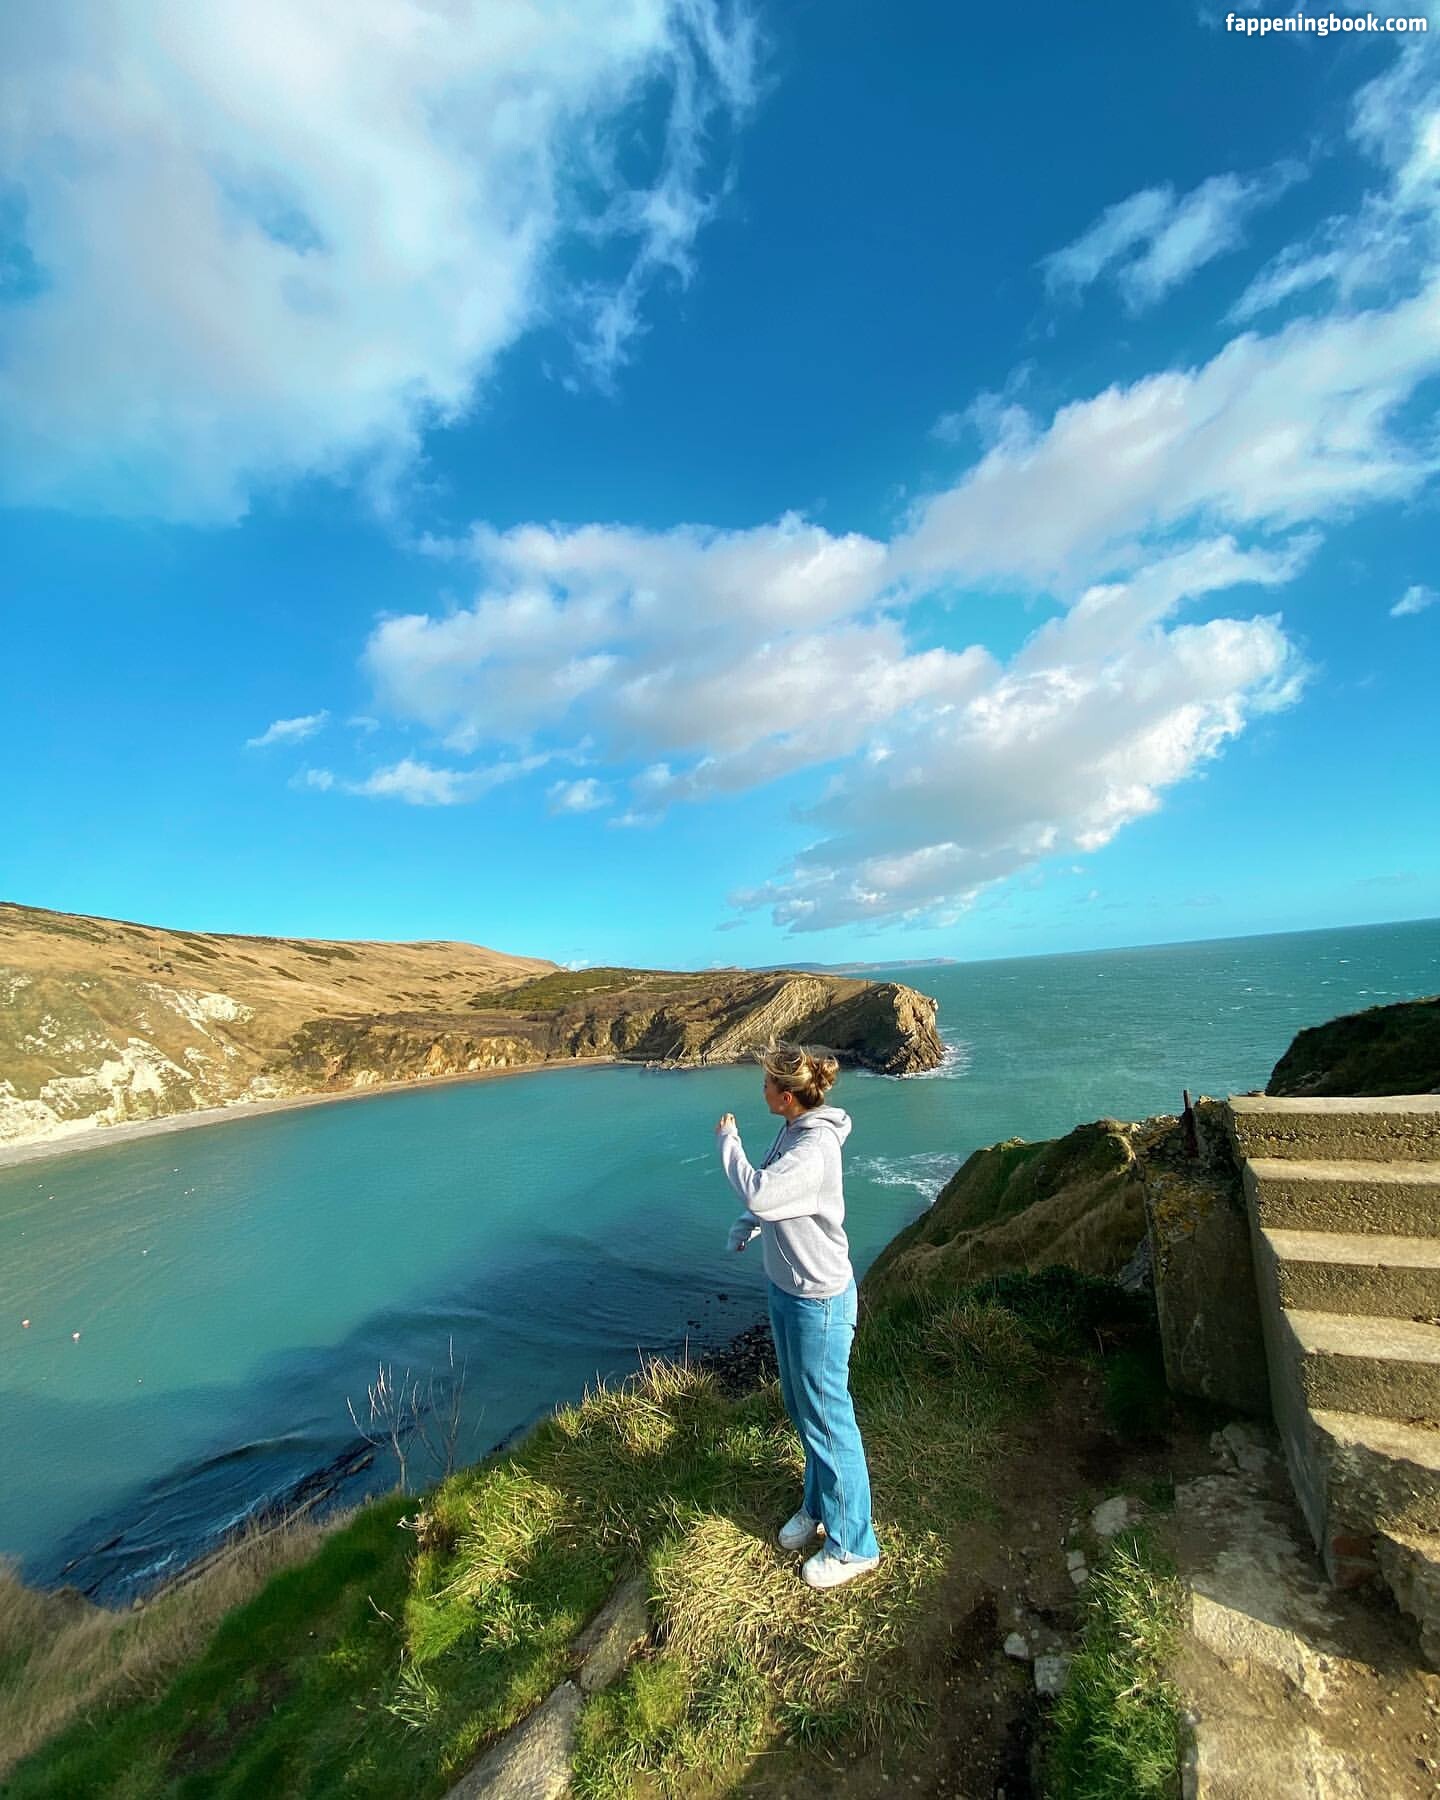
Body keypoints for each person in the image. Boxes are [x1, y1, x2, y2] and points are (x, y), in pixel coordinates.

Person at [715, 1040, 882, 1591]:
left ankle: (854, 1544)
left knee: (829, 1418)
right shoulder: (792, 1130)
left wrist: (728, 1142)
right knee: (801, 1406)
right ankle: (818, 1506)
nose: (761, 1089)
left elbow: (763, 1191)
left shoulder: (813, 1146)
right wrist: (748, 1226)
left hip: (819, 1302)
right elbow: (776, 1198)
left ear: (787, 1096)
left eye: (766, 1083)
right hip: (788, 1290)